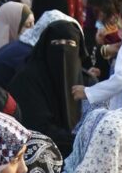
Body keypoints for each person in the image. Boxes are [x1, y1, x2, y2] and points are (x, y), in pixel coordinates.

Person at [9, 20, 84, 153]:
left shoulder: (87, 80)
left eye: (70, 44)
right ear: (45, 48)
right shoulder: (27, 79)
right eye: (56, 44)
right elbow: (36, 128)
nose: (63, 51)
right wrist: (78, 140)